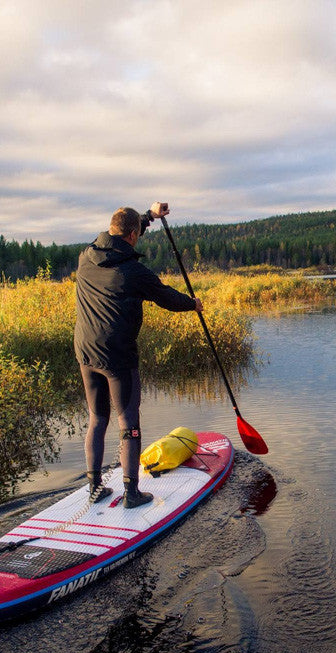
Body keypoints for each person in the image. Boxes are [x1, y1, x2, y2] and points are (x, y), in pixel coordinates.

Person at [74, 202, 203, 508]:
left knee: (97, 419)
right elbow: (167, 298)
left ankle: (95, 487)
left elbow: (125, 230)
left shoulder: (85, 257)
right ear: (133, 236)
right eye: (138, 232)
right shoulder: (133, 271)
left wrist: (150, 216)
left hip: (85, 352)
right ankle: (132, 494)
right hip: (117, 356)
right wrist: (192, 304)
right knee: (128, 421)